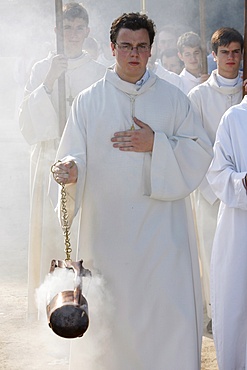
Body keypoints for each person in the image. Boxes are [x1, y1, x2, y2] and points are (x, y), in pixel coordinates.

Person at [50, 12, 212, 369]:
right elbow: (72, 154)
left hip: (162, 236)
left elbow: (200, 151)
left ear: (151, 50)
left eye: (141, 47)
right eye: (126, 46)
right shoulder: (89, 101)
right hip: (108, 233)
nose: (133, 54)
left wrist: (157, 144)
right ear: (112, 48)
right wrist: (71, 170)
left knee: (165, 314)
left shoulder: (173, 100)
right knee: (114, 318)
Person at [19, 2, 106, 320]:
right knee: (49, 236)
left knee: (82, 234)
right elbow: (27, 124)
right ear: (57, 31)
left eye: (79, 28)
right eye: (66, 28)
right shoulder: (43, 66)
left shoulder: (99, 72)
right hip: (47, 159)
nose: (72, 34)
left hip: (84, 164)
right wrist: (50, 80)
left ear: (87, 32)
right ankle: (49, 310)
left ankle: (84, 305)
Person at [188, 27, 244, 334]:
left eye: (236, 52)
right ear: (213, 56)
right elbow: (194, 143)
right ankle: (215, 312)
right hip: (211, 191)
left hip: (244, 189)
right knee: (212, 254)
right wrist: (215, 186)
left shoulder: (245, 90)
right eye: (225, 52)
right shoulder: (198, 96)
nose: (231, 58)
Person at [207, 91, 247, 370]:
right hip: (239, 232)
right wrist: (243, 183)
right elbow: (217, 174)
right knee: (237, 308)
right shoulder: (234, 119)